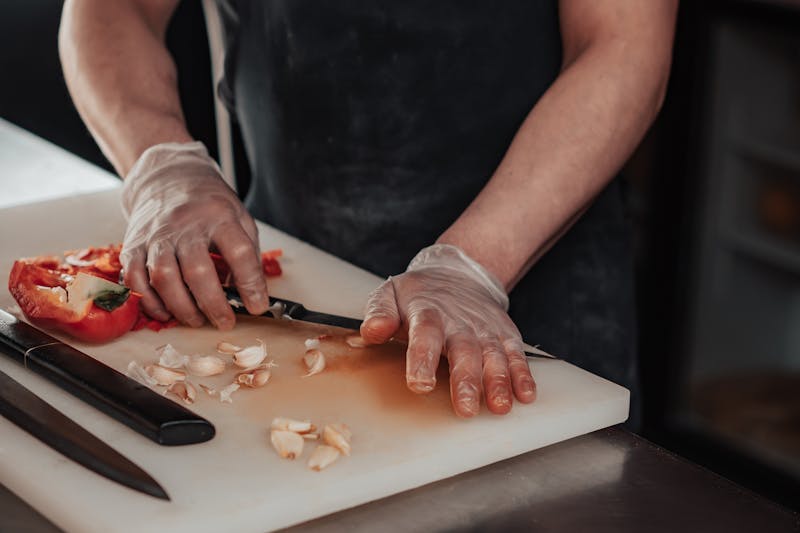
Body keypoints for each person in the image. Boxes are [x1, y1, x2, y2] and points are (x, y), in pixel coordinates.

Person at [59, 0, 677, 421]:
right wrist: (161, 166)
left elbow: (622, 43)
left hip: (539, 278)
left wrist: (473, 265)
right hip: (288, 277)